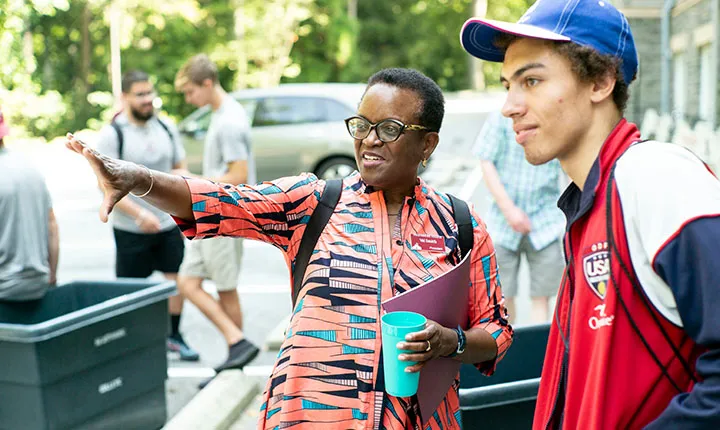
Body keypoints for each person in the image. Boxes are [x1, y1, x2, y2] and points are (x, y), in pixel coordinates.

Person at [65, 67, 513, 429]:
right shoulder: (313, 202)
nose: (370, 139)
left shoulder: (460, 225)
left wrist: (449, 342)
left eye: (390, 128)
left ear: (427, 144)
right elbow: (218, 200)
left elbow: (496, 331)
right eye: (362, 125)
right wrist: (138, 179)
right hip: (309, 416)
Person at [461, 0, 720, 428]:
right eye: (508, 85)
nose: (509, 105)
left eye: (532, 81)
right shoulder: (592, 199)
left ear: (600, 81)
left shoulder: (654, 177)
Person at [95, 70, 199, 362]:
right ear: (125, 97)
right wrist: (140, 215)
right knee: (130, 290)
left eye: (150, 93)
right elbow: (104, 185)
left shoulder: (166, 127)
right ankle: (131, 346)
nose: (147, 99)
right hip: (131, 229)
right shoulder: (113, 134)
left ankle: (174, 336)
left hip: (168, 222)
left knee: (175, 279)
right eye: (140, 94)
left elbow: (179, 167)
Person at [173, 54, 260, 373]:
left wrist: (194, 182)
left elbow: (238, 175)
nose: (188, 99)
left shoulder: (230, 122)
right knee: (187, 282)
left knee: (225, 287)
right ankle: (237, 342)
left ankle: (235, 356)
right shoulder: (222, 113)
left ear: (207, 84)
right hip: (207, 214)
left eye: (190, 91)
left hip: (225, 217)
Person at [473, 109, 565, 324]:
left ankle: (537, 354)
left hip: (546, 222)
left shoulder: (553, 115)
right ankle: (512, 351)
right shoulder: (501, 116)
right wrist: (509, 209)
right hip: (502, 224)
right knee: (502, 296)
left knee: (542, 298)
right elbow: (485, 161)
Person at [0, 107, 59, 301]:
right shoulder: (29, 167)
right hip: (38, 285)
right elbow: (52, 226)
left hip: (5, 289)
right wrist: (51, 276)